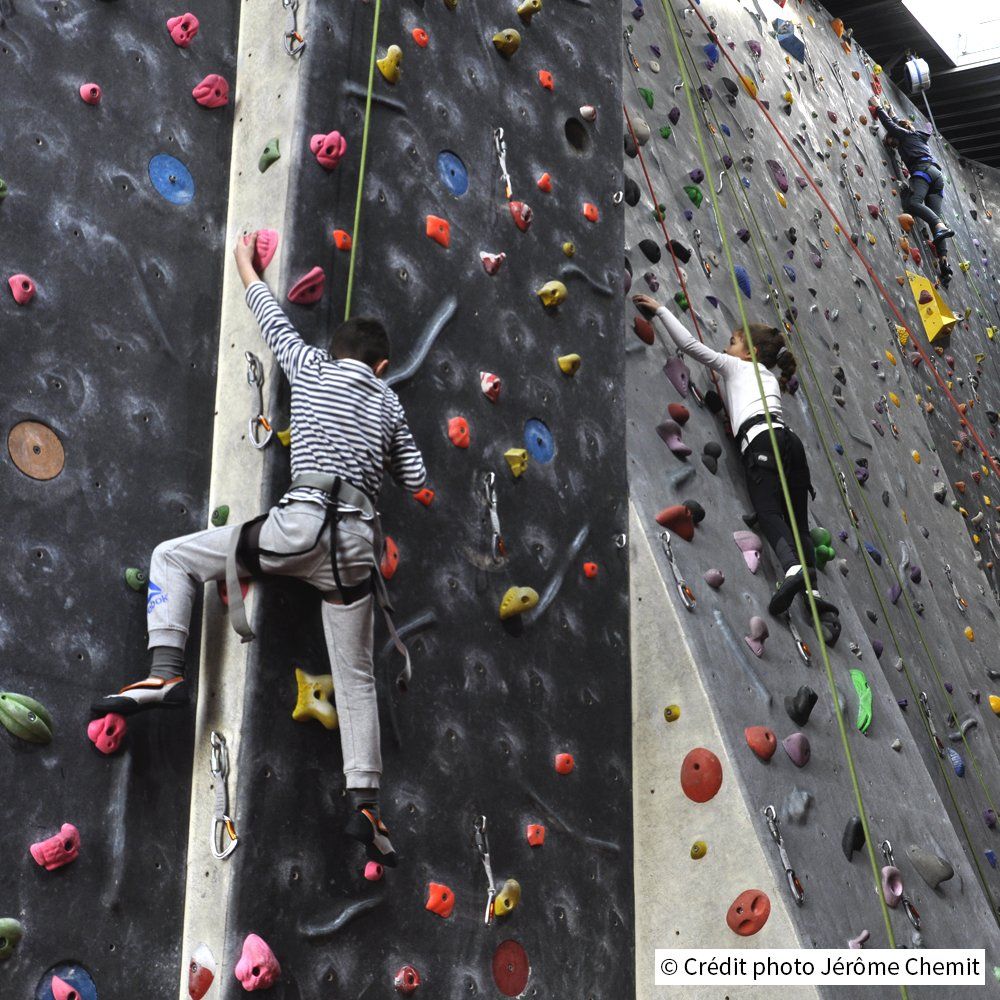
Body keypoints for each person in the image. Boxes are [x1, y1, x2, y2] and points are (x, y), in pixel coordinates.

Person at [91, 232, 428, 867]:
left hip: (296, 528)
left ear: (336, 353)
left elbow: (267, 311)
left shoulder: (309, 364)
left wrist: (246, 261)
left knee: (172, 555)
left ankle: (165, 671)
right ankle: (364, 802)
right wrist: (381, 433)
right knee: (356, 677)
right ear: (381, 367)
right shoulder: (389, 402)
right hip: (355, 550)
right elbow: (415, 479)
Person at [633, 293, 839, 630]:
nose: (726, 348)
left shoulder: (736, 365)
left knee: (769, 511)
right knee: (797, 522)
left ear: (750, 352)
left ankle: (792, 570)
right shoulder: (769, 377)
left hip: (762, 441)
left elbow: (690, 346)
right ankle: (814, 596)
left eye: (732, 342)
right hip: (789, 443)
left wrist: (660, 311)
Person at [870, 99, 955, 285]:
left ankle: (940, 226)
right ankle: (944, 263)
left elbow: (890, 125)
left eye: (891, 140)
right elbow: (896, 123)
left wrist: (878, 106)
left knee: (913, 204)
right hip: (936, 176)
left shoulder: (906, 136)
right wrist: (892, 111)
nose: (890, 142)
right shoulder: (916, 136)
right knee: (935, 216)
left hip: (922, 171)